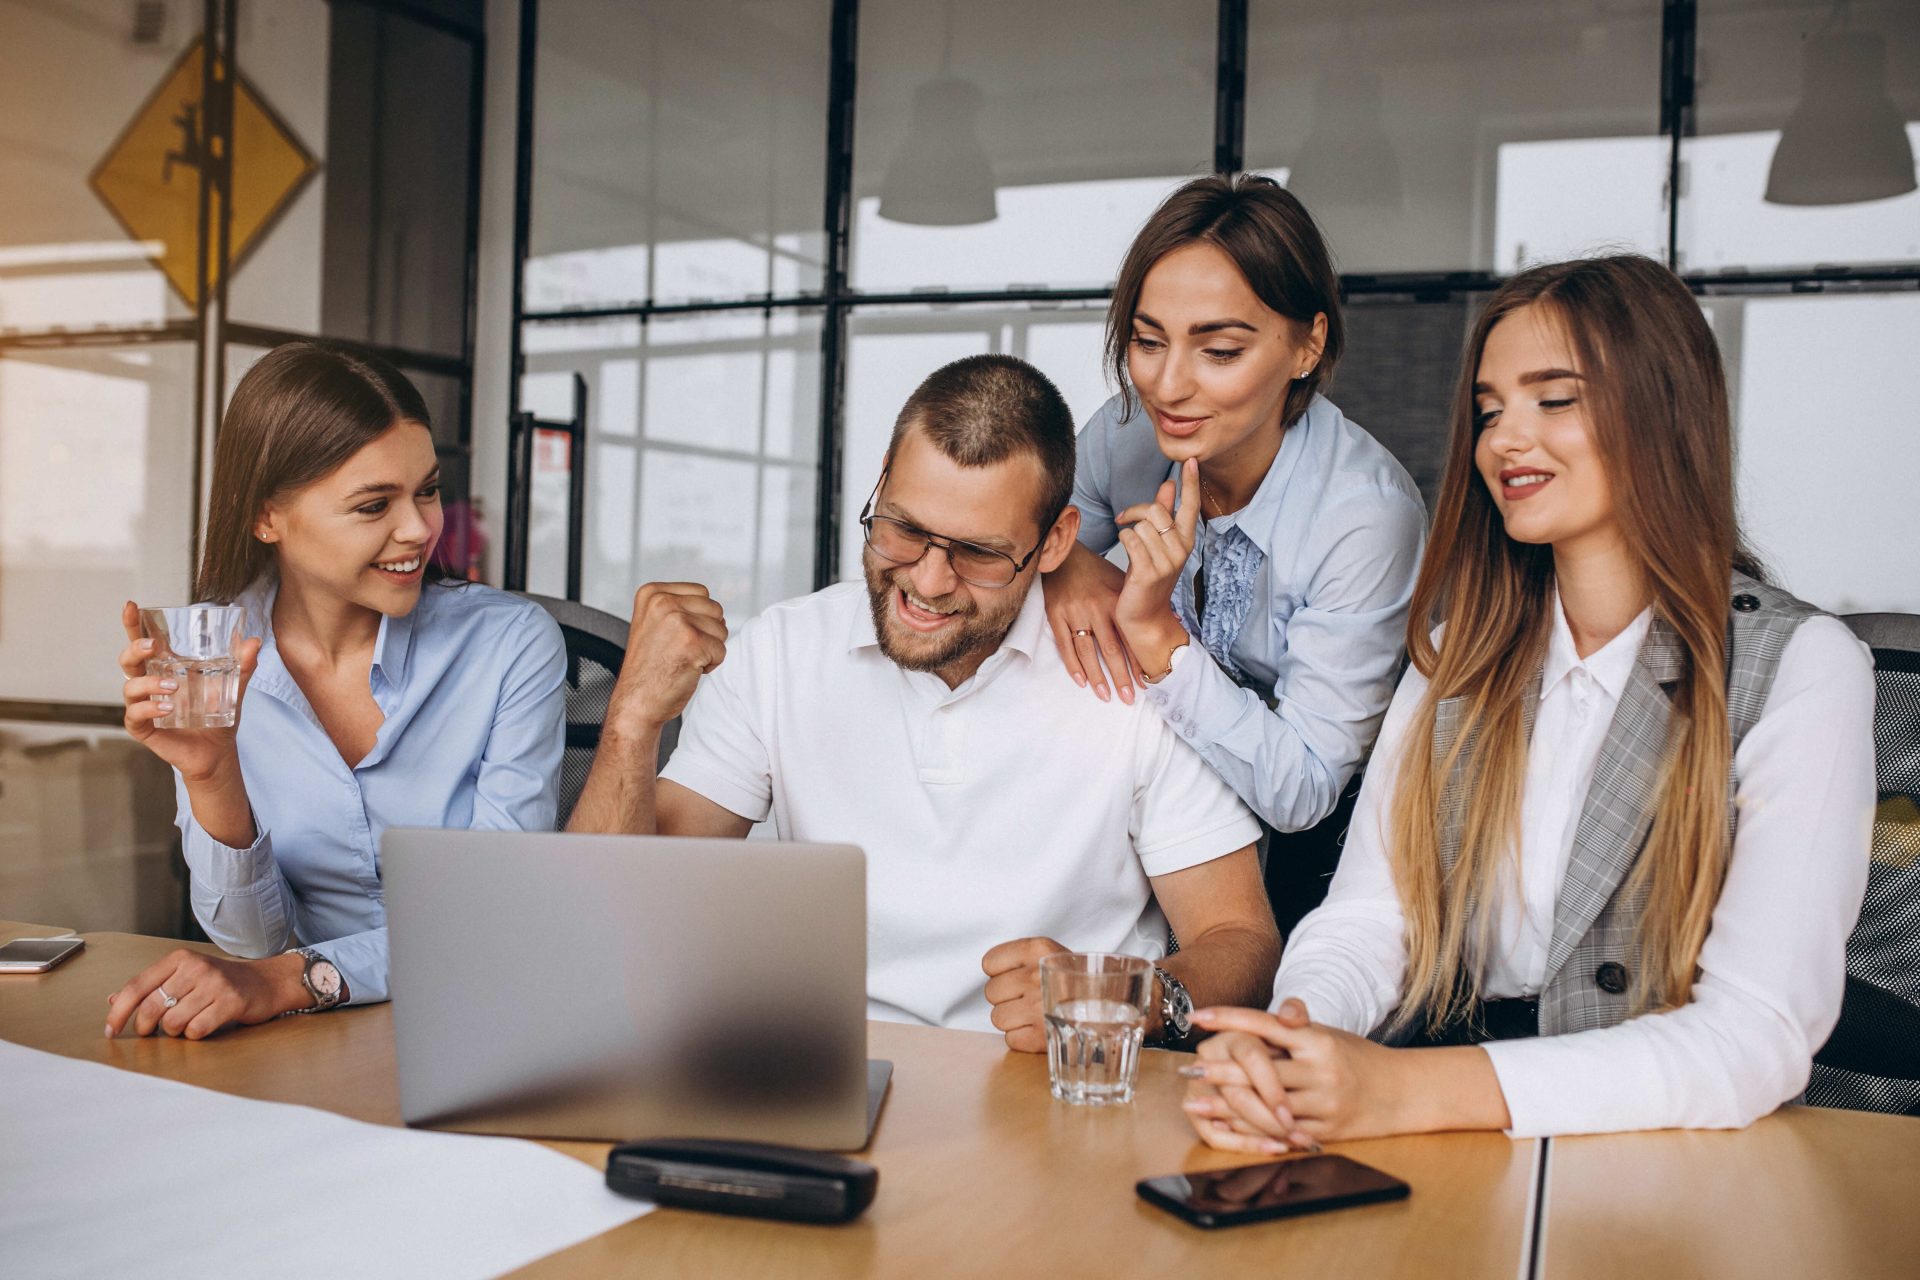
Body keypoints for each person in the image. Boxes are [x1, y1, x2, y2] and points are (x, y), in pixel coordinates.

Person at [1178, 254, 1875, 1149]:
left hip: (1661, 1148)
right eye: (1490, 409)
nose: (1507, 439)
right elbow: (1369, 916)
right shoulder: (1461, 652)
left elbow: (1755, 1036)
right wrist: (1300, 1038)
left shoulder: (1800, 666)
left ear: (1663, 412)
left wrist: (1402, 1093)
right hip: (1448, 1128)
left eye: (1555, 400)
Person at [568, 354, 1279, 1050]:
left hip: (1046, 1088)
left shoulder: (1141, 681)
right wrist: (631, 722)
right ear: (881, 482)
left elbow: (1241, 940)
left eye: (977, 553)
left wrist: (1124, 997)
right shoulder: (782, 651)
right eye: (903, 529)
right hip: (826, 1068)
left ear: (1057, 541)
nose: (929, 582)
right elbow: (612, 930)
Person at [105, 342, 566, 1040]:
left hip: (491, 1021)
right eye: (374, 504)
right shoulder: (214, 663)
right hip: (305, 1036)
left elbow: (492, 919)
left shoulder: (510, 645)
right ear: (267, 518)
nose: (419, 530)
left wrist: (297, 980)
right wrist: (212, 774)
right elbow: (251, 943)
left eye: (428, 490)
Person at [1043, 173, 1425, 930]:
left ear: (1308, 346)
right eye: (1148, 342)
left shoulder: (1364, 519)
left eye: (1218, 350)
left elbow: (1304, 791)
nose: (1168, 385)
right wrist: (1069, 567)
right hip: (1141, 827)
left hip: (1311, 874)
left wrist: (1155, 634)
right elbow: (1018, 556)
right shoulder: (1121, 437)